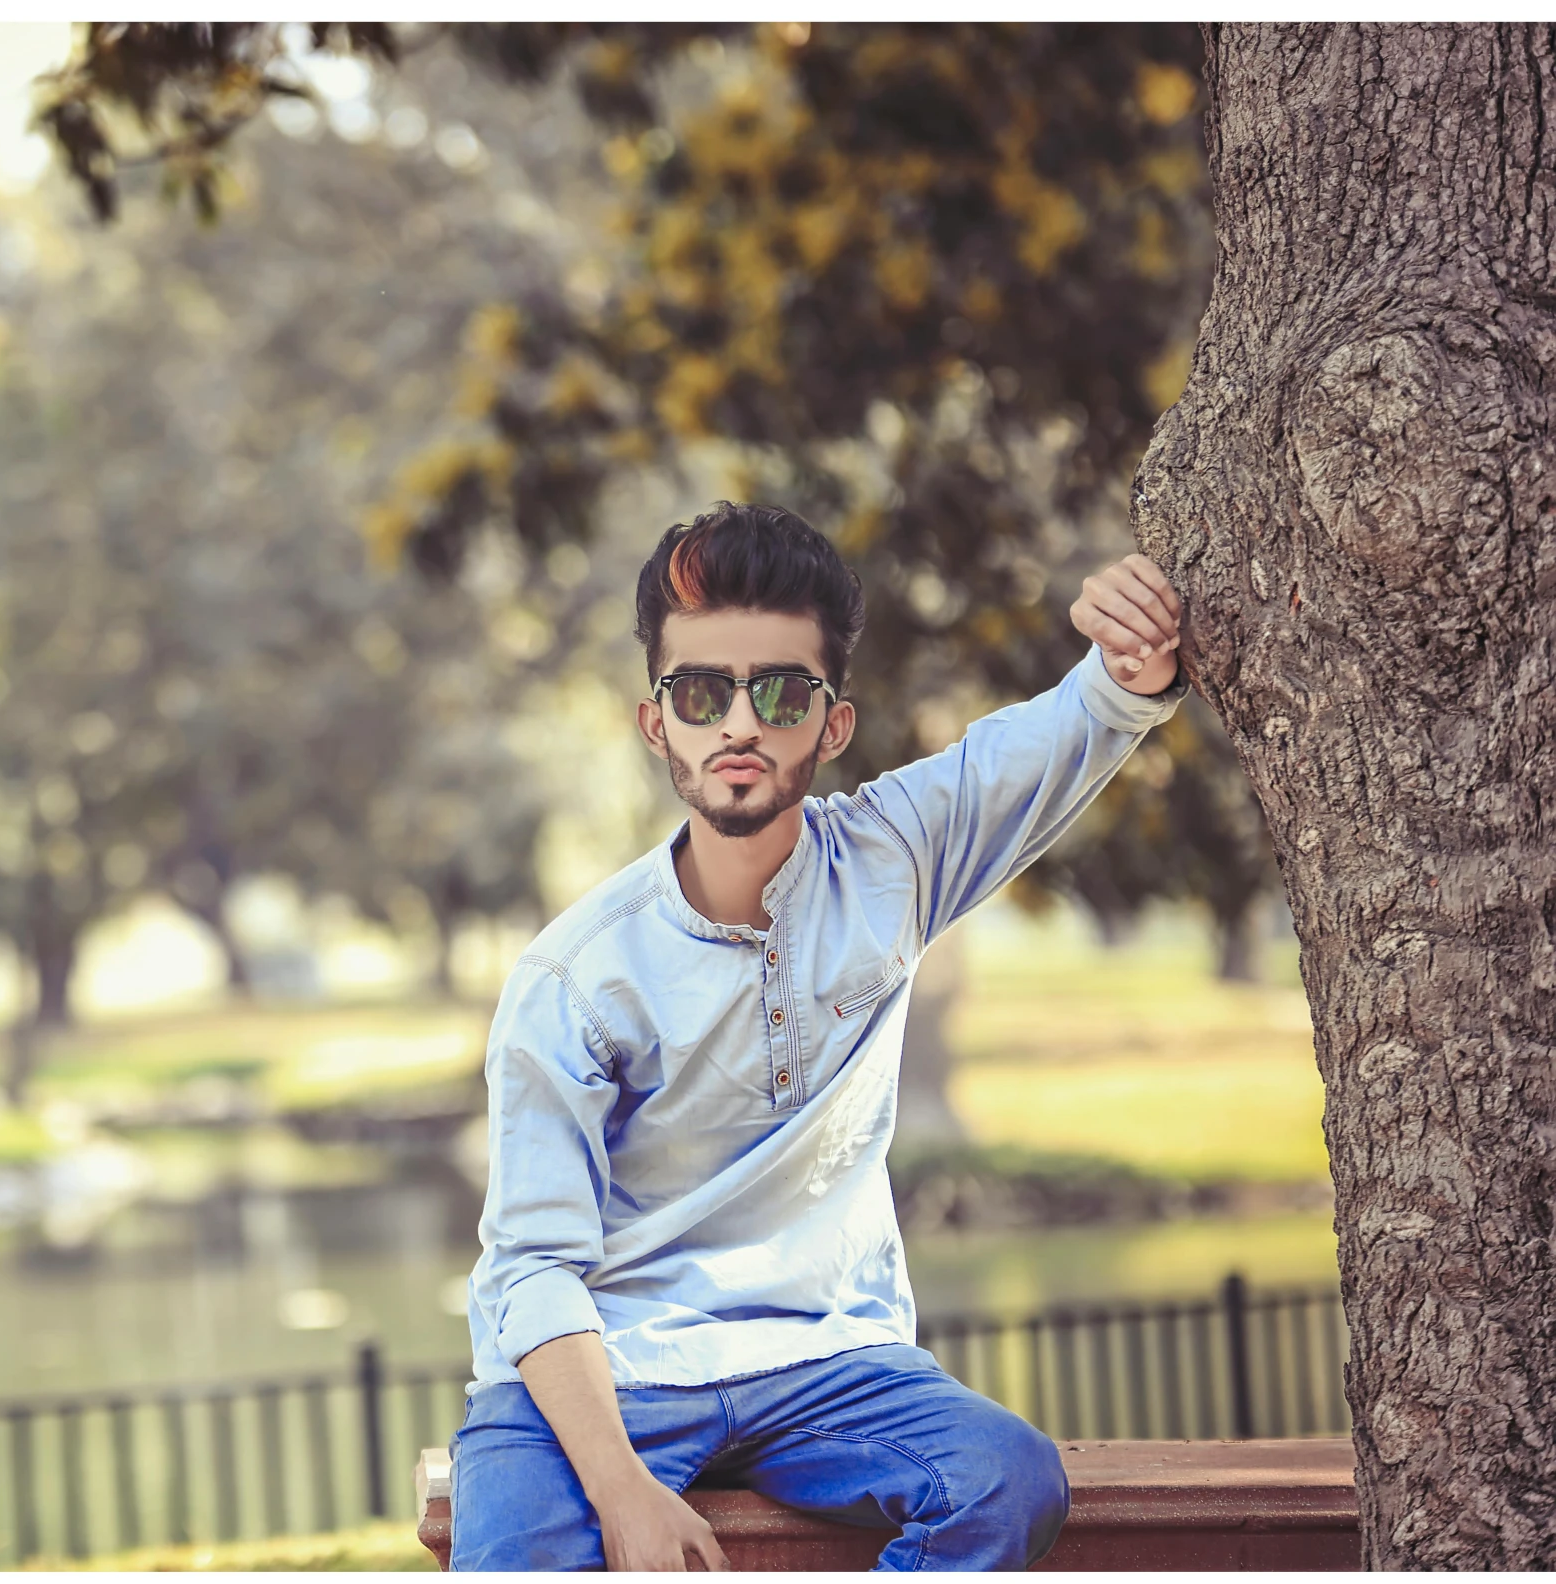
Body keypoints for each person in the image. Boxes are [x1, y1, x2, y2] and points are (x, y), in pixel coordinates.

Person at [449, 501, 1188, 1572]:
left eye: (779, 691)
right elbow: (531, 1269)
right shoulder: (576, 978)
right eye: (702, 692)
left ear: (829, 724)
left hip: (823, 1362)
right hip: (606, 1366)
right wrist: (625, 1493)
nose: (739, 724)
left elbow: (1068, 728)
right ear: (658, 722)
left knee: (1004, 1482)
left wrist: (1132, 660)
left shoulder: (893, 861)